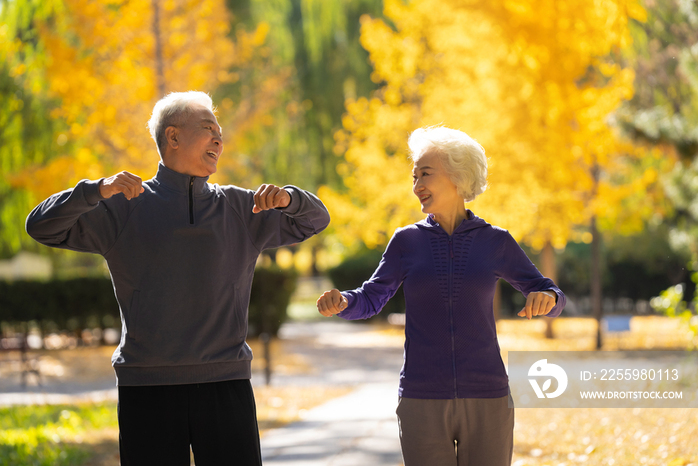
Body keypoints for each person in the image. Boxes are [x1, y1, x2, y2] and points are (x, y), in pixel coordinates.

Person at [26, 91, 330, 466]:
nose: (219, 139)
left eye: (220, 132)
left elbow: (316, 220)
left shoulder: (241, 208)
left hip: (226, 384)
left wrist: (289, 199)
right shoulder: (124, 206)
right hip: (147, 387)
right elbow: (41, 226)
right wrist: (97, 190)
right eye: (207, 129)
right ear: (173, 137)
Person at [316, 126, 566, 466]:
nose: (416, 185)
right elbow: (372, 297)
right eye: (414, 176)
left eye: (425, 174)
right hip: (421, 398)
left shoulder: (495, 241)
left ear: (457, 176)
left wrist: (547, 299)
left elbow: (546, 290)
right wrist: (343, 302)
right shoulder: (406, 242)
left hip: (488, 396)